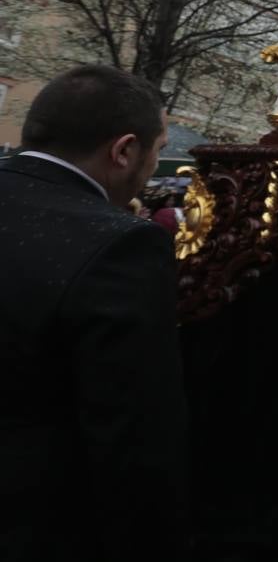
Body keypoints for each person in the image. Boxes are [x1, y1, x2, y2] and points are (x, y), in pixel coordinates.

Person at [0, 64, 188, 561]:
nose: (154, 168)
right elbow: (133, 434)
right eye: (158, 150)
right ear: (124, 151)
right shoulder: (121, 244)